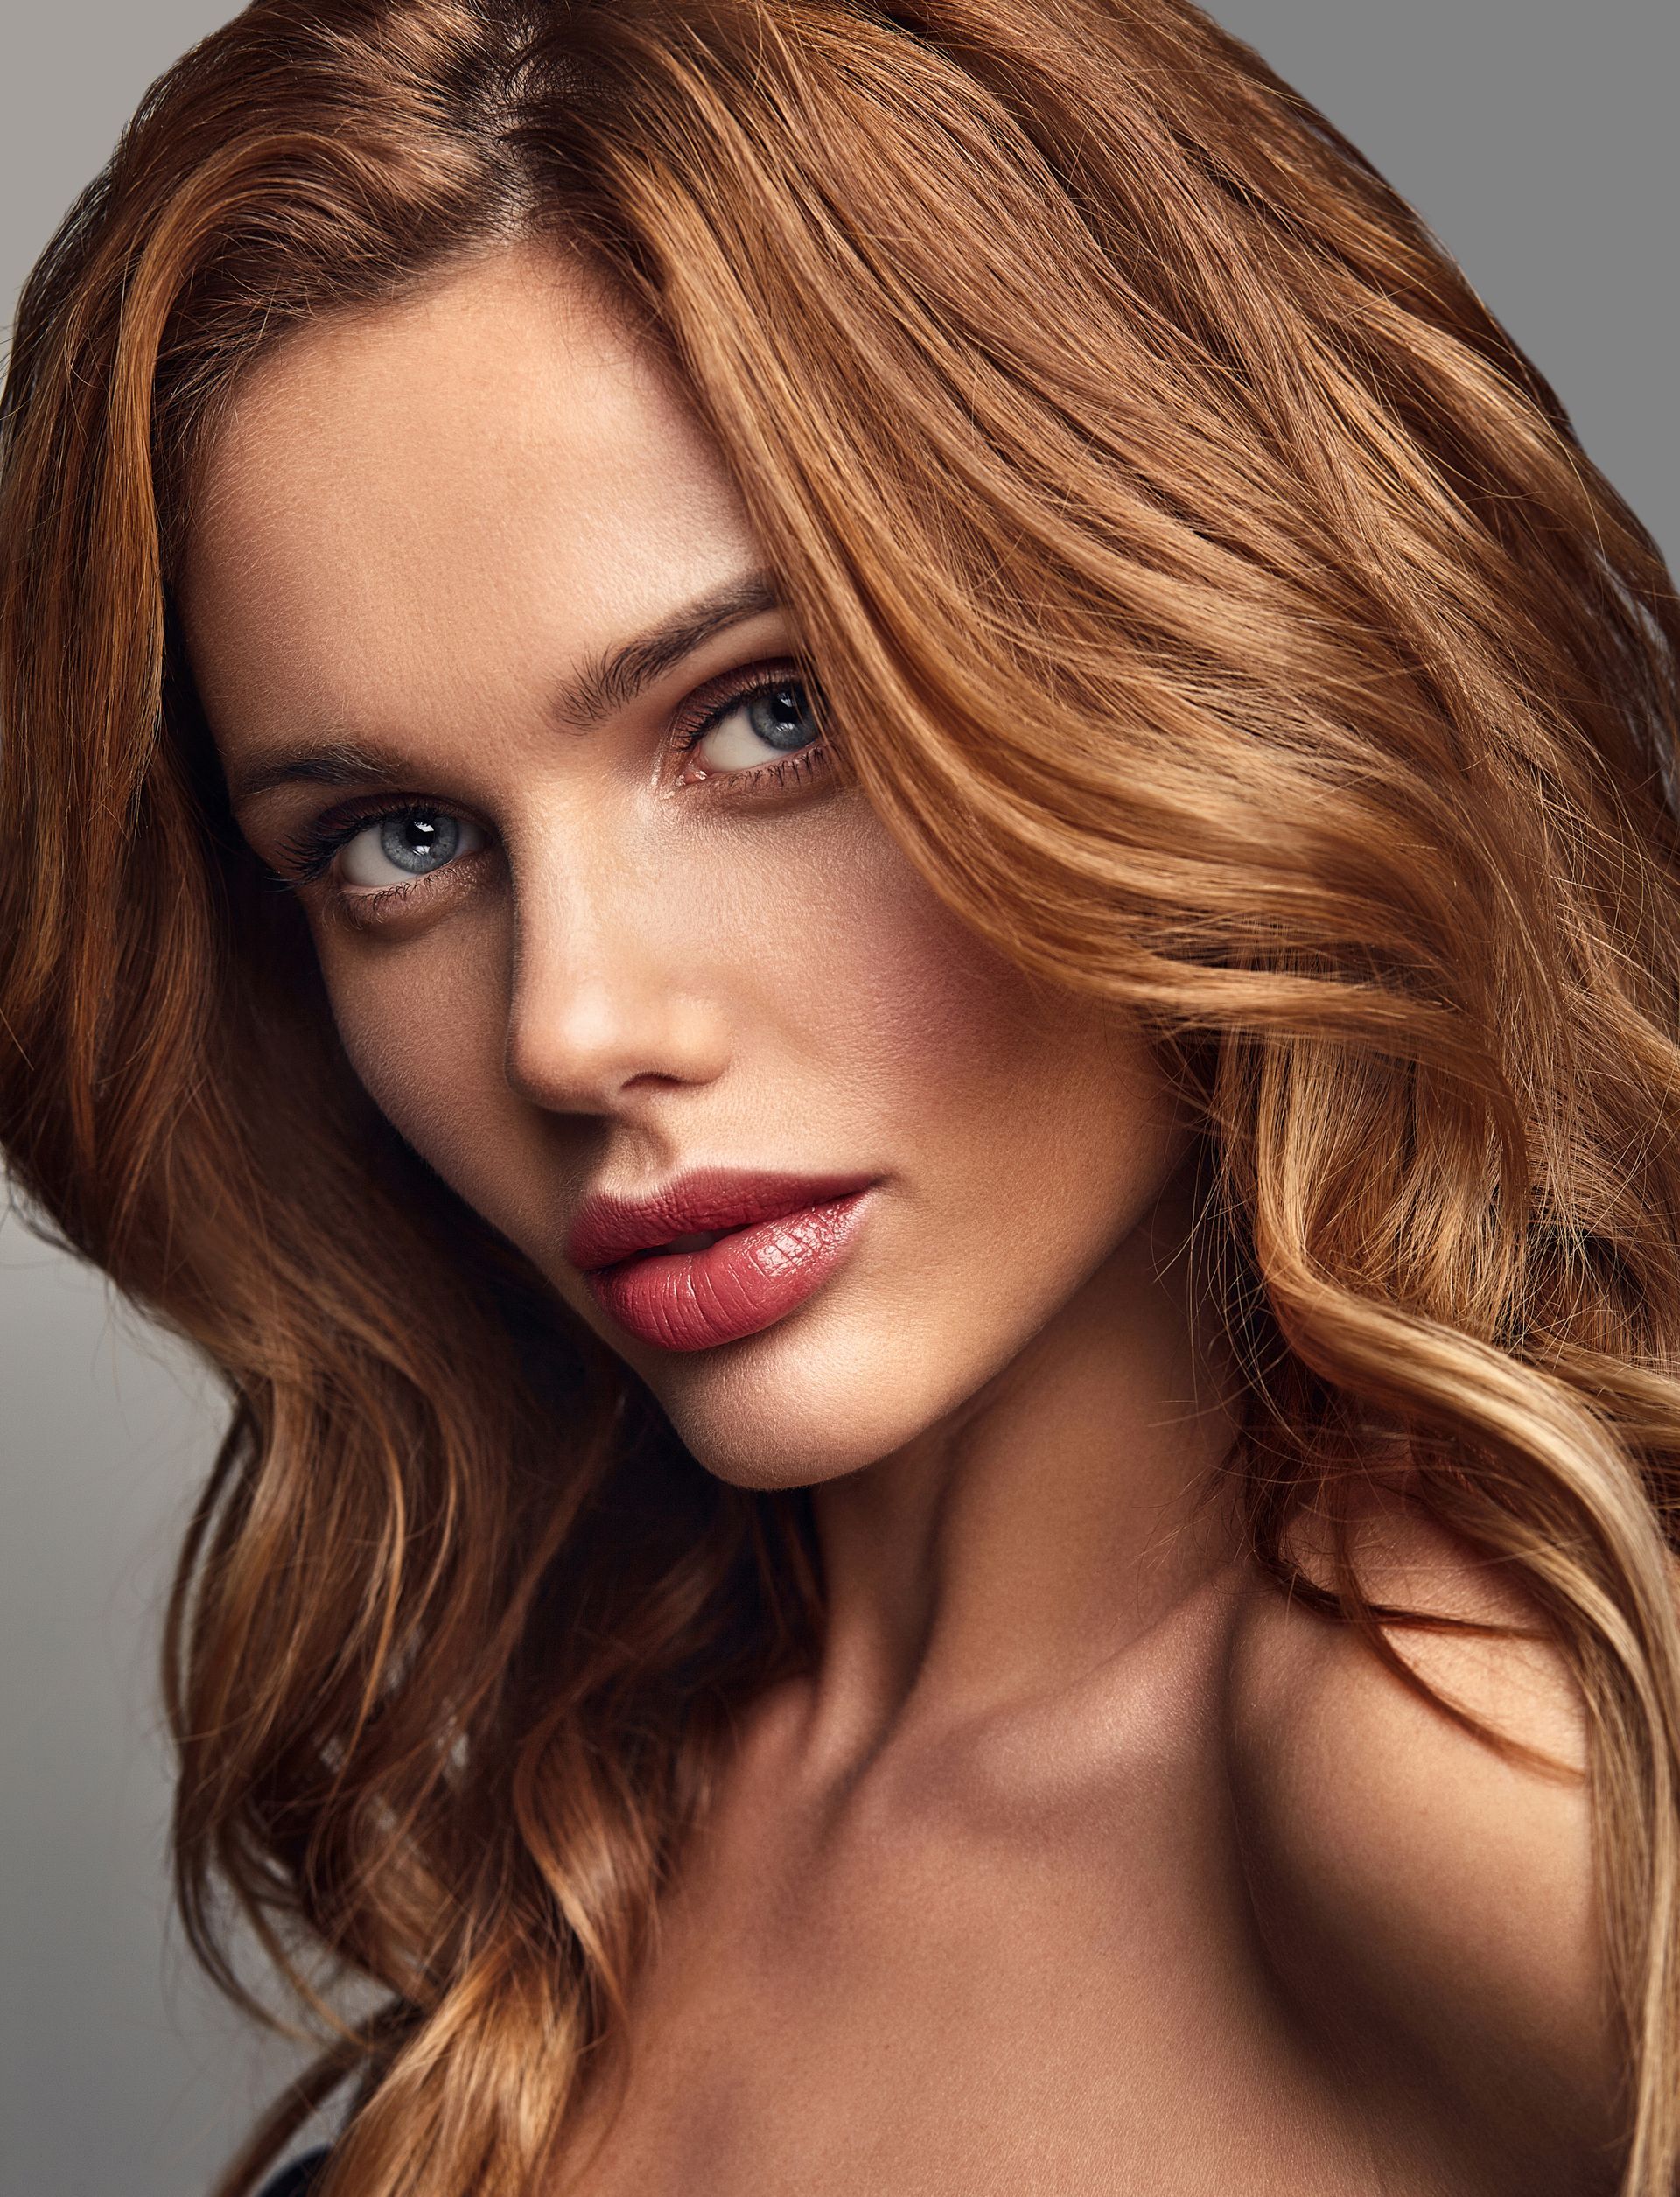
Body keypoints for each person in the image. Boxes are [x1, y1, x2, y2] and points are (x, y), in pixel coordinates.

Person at [2, 2, 1676, 2192]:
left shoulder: (1454, 1751)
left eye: (766, 713)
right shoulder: (615, 1773)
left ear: (1188, 653)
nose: (571, 1029)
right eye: (395, 842)